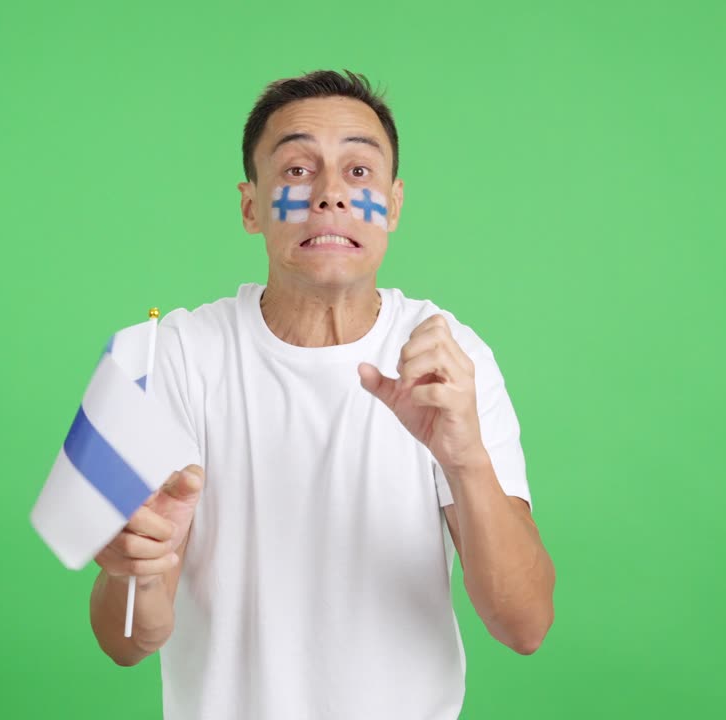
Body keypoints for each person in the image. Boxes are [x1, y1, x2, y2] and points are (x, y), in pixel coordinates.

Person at [88, 70, 555, 719]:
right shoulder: (180, 356)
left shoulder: (450, 358)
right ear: (251, 206)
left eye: (359, 172)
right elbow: (128, 641)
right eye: (298, 170)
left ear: (393, 205)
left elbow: (525, 626)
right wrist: (132, 572)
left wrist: (465, 456)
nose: (331, 195)